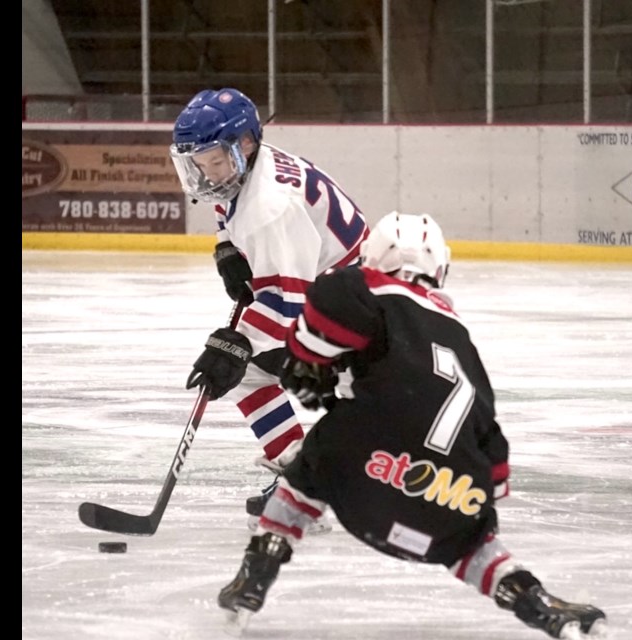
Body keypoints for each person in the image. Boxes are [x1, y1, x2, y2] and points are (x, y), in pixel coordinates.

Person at [216, 212, 608, 639]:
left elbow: (326, 312)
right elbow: (490, 447)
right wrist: (477, 496)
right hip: (447, 486)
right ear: (440, 267)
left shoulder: (368, 287)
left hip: (368, 479)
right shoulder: (456, 330)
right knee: (469, 539)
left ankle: (258, 569)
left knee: (316, 460)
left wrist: (305, 361)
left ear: (373, 257)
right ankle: (533, 601)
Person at [168, 87, 369, 531]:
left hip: (363, 307)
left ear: (243, 145)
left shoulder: (272, 207)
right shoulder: (243, 166)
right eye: (197, 164)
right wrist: (226, 247)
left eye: (213, 162)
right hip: (338, 290)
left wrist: (234, 346)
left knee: (254, 369)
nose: (205, 175)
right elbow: (224, 203)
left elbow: (285, 299)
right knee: (255, 369)